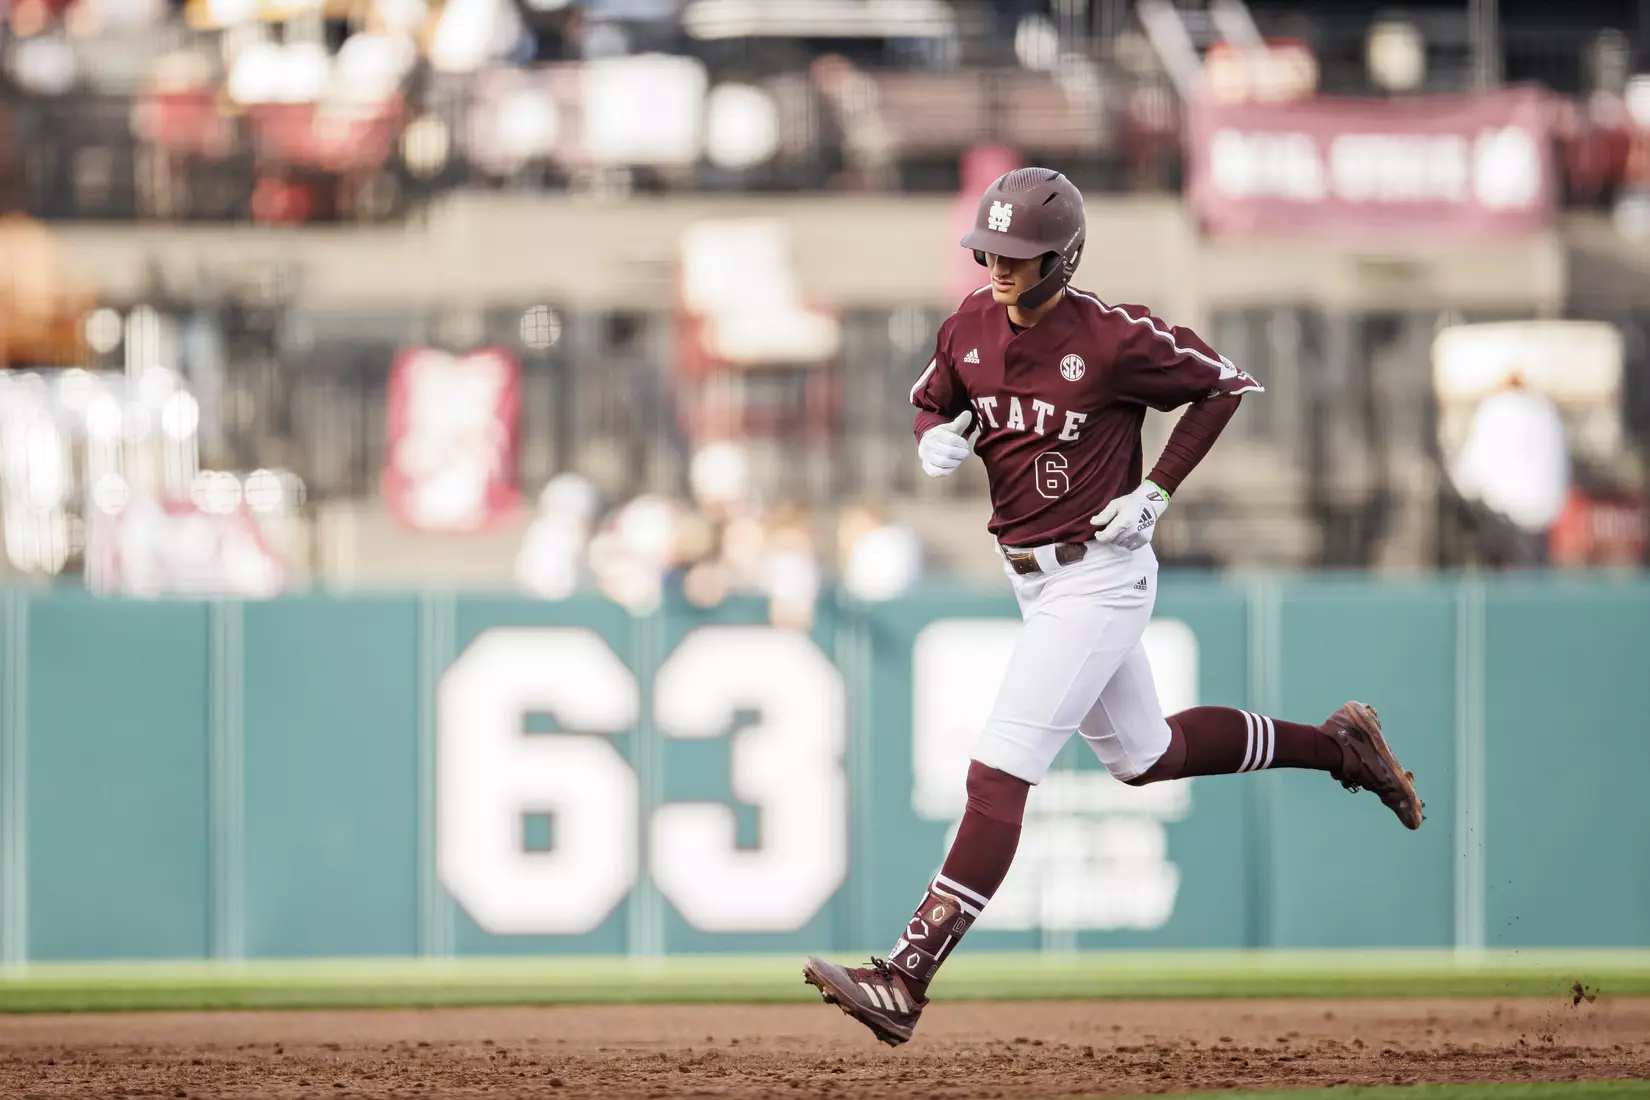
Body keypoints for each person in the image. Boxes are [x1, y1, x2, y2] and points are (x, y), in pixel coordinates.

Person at [802, 167, 1425, 1046]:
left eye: (1021, 255)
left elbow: (1226, 384)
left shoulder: (1110, 336)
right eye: (992, 250)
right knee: (1145, 755)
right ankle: (1339, 747)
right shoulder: (969, 325)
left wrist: (1160, 489)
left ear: (1065, 256)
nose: (1001, 267)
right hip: (1030, 576)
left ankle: (907, 977)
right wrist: (930, 437)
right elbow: (935, 398)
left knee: (998, 770)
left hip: (1100, 573)